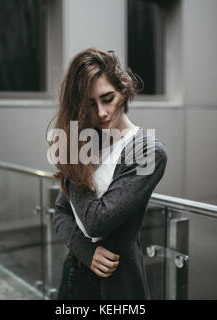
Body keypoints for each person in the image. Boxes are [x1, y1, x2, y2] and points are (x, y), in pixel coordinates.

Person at [47, 48, 168, 299]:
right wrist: (85, 251)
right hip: (73, 273)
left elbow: (95, 221)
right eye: (90, 104)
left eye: (107, 98)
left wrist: (73, 155)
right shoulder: (88, 142)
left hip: (113, 286)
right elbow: (60, 212)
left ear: (123, 91)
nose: (101, 112)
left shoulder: (147, 151)